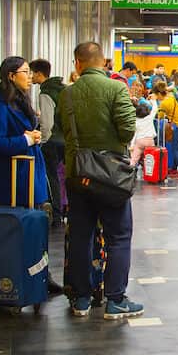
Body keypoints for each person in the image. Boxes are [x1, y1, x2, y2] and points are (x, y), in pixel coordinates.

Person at [59, 41, 142, 320]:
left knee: (82, 236)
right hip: (109, 177)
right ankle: (115, 300)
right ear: (103, 61)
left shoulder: (66, 95)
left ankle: (81, 299)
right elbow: (127, 130)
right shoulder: (116, 88)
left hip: (77, 175)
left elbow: (62, 131)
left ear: (77, 63)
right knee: (118, 236)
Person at [0, 57, 62, 294]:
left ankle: (40, 276)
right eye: (25, 72)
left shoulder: (21, 102)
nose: (29, 76)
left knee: (35, 229)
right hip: (13, 179)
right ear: (10, 75)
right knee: (13, 232)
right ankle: (11, 281)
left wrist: (32, 136)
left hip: (30, 176)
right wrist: (26, 139)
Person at [30, 59, 66, 225]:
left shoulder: (45, 92)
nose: (30, 77)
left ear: (38, 73)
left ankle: (56, 214)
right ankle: (66, 210)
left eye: (31, 73)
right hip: (66, 139)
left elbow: (47, 122)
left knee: (51, 177)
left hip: (52, 141)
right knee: (65, 176)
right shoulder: (63, 89)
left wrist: (43, 141)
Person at [152, 80, 178, 178]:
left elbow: (159, 117)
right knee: (174, 144)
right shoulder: (171, 95)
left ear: (158, 93)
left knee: (174, 148)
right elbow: (174, 89)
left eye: (156, 95)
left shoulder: (164, 103)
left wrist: (153, 101)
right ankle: (174, 169)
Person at [129, 101, 156, 167]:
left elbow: (134, 134)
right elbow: (155, 109)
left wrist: (132, 145)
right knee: (151, 158)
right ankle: (150, 172)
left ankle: (130, 169)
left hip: (139, 141)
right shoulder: (149, 118)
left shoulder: (135, 121)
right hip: (149, 140)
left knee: (134, 158)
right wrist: (153, 101)